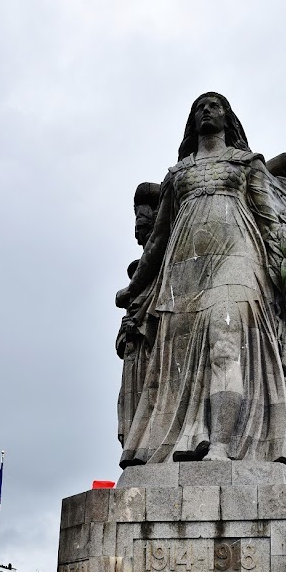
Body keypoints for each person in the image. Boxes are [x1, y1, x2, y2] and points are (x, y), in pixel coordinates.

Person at [116, 92, 286, 466]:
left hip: (239, 260)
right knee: (180, 362)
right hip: (184, 269)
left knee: (225, 346)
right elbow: (158, 240)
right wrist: (135, 289)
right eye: (199, 107)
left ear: (227, 117)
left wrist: (284, 275)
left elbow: (269, 221)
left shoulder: (246, 164)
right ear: (192, 121)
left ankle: (221, 445)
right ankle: (179, 442)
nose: (206, 111)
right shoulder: (177, 175)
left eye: (214, 105)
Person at [116, 182, 160, 445]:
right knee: (131, 415)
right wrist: (128, 332)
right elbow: (119, 342)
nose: (137, 237)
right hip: (135, 359)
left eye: (142, 228)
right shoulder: (134, 300)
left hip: (154, 355)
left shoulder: (162, 273)